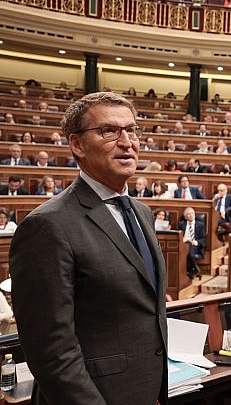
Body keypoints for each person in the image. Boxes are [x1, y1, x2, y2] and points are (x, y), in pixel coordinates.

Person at [10, 92, 168, 404]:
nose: (127, 142)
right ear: (77, 145)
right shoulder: (47, 225)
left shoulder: (142, 212)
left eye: (132, 130)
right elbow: (51, 350)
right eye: (109, 131)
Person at [178, 206, 205, 279]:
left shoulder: (200, 225)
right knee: (187, 246)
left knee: (190, 247)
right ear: (185, 216)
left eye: (192, 213)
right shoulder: (181, 224)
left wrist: (195, 242)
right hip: (183, 244)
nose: (191, 215)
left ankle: (192, 270)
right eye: (189, 214)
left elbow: (203, 239)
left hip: (195, 246)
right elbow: (178, 236)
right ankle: (195, 269)